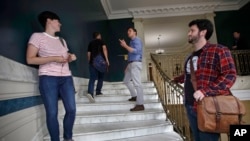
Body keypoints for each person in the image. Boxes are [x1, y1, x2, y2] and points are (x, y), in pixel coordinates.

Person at [173, 19, 237, 141]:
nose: (188, 33)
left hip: (208, 106)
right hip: (189, 105)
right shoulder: (189, 57)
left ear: (203, 32)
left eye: (192, 30)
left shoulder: (219, 50)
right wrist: (177, 79)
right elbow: (190, 75)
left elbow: (230, 75)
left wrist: (205, 91)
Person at [26, 11, 76, 141]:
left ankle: (68, 138)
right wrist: (53, 58)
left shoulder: (62, 40)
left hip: (66, 78)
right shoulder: (37, 36)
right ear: (49, 20)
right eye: (57, 21)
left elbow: (65, 57)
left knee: (71, 110)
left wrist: (70, 57)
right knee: (52, 113)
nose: (60, 23)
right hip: (48, 78)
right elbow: (30, 59)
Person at [119, 27, 144, 111]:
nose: (128, 32)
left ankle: (140, 104)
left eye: (130, 31)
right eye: (127, 31)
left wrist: (125, 46)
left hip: (136, 63)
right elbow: (131, 54)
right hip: (131, 64)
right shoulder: (131, 41)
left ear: (135, 32)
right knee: (126, 81)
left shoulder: (137, 40)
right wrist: (127, 65)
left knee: (137, 84)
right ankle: (134, 96)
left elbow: (137, 51)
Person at [87, 32, 109, 103]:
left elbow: (88, 54)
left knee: (92, 78)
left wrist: (90, 62)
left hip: (92, 63)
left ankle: (90, 92)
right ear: (99, 36)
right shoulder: (101, 41)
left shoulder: (90, 43)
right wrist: (107, 60)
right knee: (101, 77)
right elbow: (104, 49)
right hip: (101, 62)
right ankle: (98, 91)